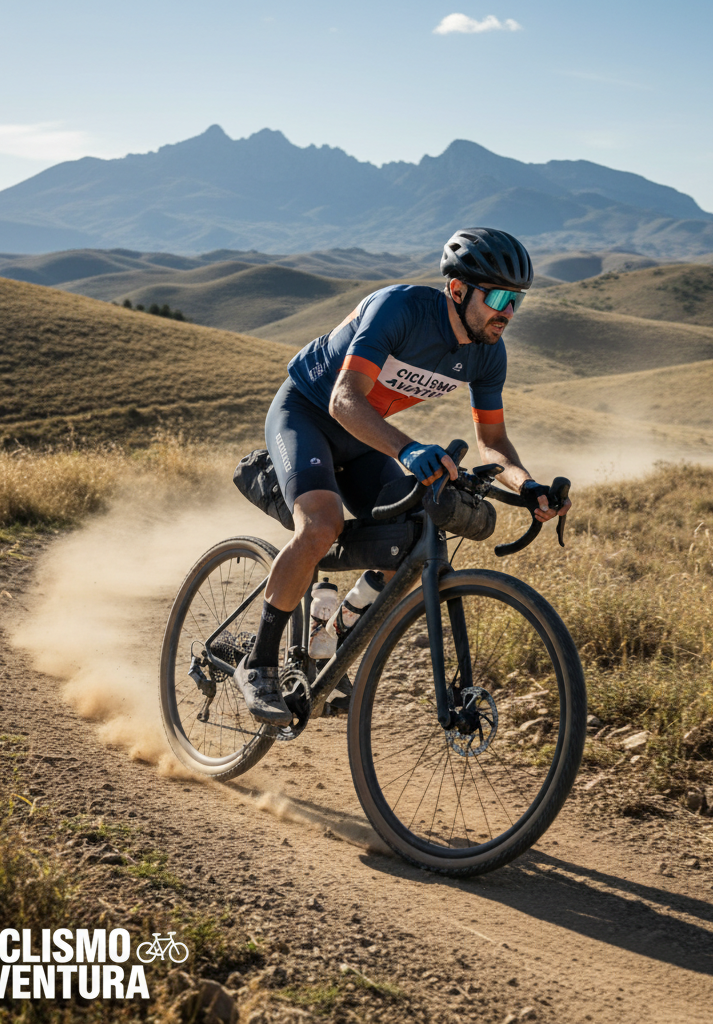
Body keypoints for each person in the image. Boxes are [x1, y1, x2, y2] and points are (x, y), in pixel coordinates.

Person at [233, 226, 571, 723]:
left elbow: (494, 445)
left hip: (363, 435)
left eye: (517, 300)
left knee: (406, 537)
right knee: (322, 526)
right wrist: (409, 450)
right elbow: (343, 400)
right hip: (308, 412)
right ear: (457, 290)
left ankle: (334, 629)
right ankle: (258, 664)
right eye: (498, 296)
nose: (508, 312)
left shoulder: (487, 353)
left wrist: (529, 486)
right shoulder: (399, 309)